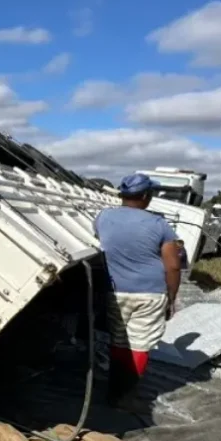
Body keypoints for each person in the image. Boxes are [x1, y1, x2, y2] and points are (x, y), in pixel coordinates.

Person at [93, 173, 183, 409]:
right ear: (144, 196)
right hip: (150, 293)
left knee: (119, 339)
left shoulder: (103, 217)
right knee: (139, 343)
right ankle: (126, 394)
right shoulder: (159, 225)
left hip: (115, 291)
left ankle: (113, 390)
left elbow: (104, 245)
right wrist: (171, 298)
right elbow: (173, 266)